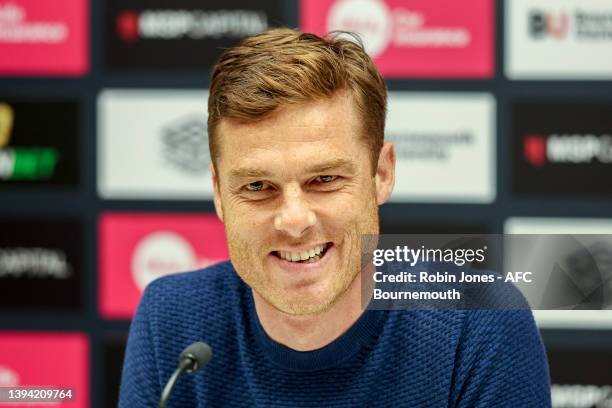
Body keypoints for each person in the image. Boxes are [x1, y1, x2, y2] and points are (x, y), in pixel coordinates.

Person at [119, 28, 550, 407]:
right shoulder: (172, 318)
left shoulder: (479, 325)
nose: (292, 220)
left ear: (381, 174)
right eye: (256, 187)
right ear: (218, 192)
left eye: (323, 179)